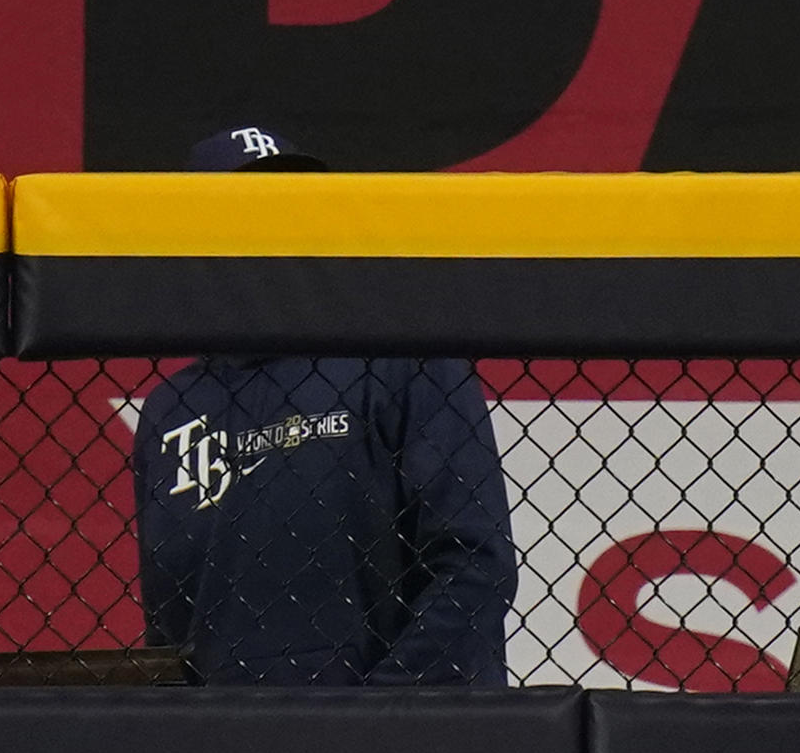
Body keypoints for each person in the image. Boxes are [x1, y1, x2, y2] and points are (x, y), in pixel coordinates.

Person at [131, 125, 515, 685]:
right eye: (249, 205)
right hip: (233, 747)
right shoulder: (171, 408)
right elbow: (170, 629)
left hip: (405, 745)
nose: (280, 219)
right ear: (198, 233)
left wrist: (372, 718)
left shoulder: (400, 356)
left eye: (295, 201)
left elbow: (475, 565)